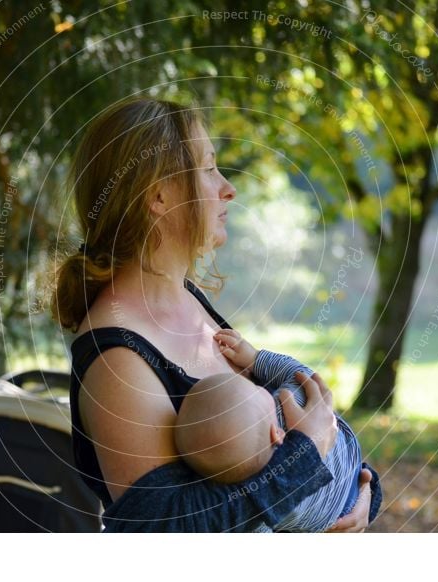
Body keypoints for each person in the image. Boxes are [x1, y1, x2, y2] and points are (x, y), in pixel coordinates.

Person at [52, 97, 379, 532]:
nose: (229, 188)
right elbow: (163, 532)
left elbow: (264, 439)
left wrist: (359, 489)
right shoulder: (117, 359)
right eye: (208, 169)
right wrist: (308, 456)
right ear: (159, 193)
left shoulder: (188, 301)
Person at [175, 329, 380, 532]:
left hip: (330, 519)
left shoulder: (257, 501)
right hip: (352, 472)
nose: (257, 385)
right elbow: (303, 376)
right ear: (277, 434)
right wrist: (256, 359)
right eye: (256, 390)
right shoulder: (286, 405)